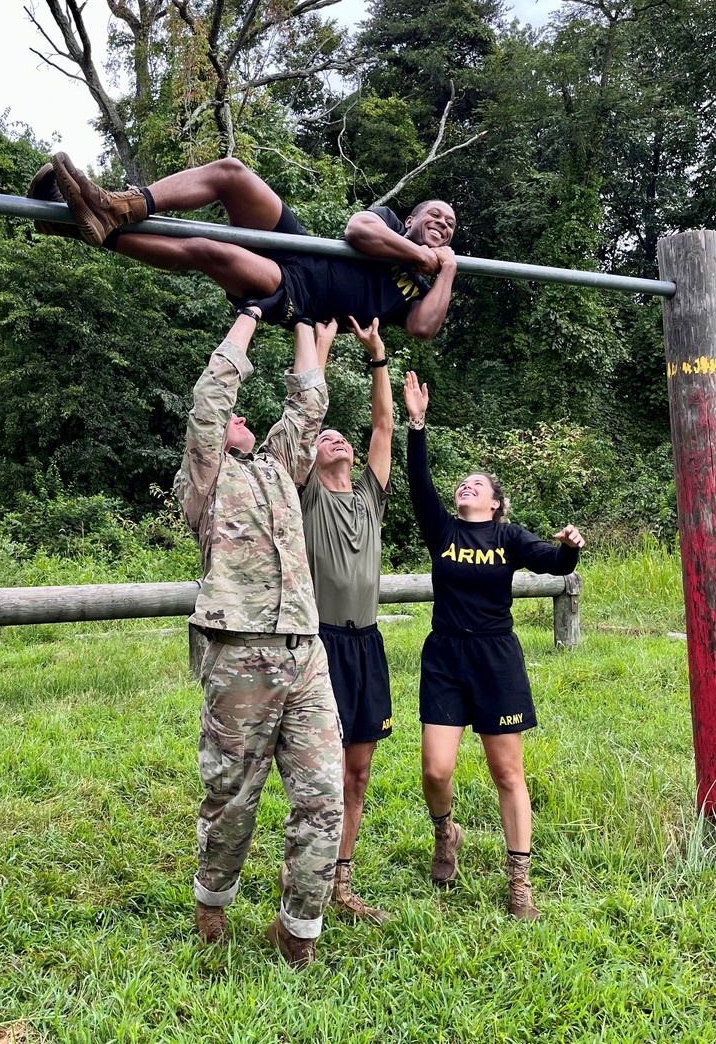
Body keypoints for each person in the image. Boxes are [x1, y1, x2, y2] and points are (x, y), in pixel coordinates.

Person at [173, 307, 343, 970]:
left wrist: (302, 315)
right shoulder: (206, 477)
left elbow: (308, 401)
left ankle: (298, 930)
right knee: (232, 795)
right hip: (239, 649)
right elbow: (212, 395)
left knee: (322, 795)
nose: (243, 419)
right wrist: (249, 313)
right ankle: (212, 900)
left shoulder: (278, 468)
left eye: (248, 418)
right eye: (237, 418)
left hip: (305, 648)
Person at [402, 370, 585, 921]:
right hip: (445, 656)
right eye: (464, 482)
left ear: (496, 503)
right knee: (436, 769)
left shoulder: (508, 537)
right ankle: (445, 834)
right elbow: (417, 481)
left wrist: (570, 548)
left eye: (478, 484)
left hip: (495, 659)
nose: (467, 486)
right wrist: (417, 424)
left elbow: (554, 564)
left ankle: (519, 880)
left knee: (508, 773)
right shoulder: (443, 531)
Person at [29, 154, 457, 337]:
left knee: (209, 250)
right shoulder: (387, 225)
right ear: (412, 220)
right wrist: (421, 256)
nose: (442, 223)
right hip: (299, 244)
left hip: (298, 294)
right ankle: (116, 207)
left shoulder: (422, 294)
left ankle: (88, 228)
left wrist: (448, 269)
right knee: (232, 173)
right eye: (434, 215)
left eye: (450, 225)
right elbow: (357, 232)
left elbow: (423, 328)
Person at [298, 316, 395, 922]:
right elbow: (308, 413)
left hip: (368, 646)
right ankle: (301, 866)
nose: (334, 437)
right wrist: (325, 349)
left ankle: (340, 881)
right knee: (321, 771)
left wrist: (378, 355)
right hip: (321, 644)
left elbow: (384, 424)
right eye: (324, 435)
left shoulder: (369, 496)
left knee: (357, 770)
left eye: (341, 435)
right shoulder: (305, 491)